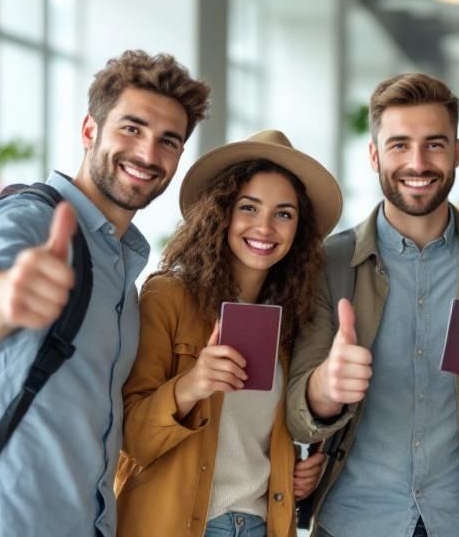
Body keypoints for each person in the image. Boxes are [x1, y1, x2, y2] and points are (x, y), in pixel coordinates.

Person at [0, 50, 210, 536]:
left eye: (168, 141)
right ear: (88, 131)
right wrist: (1, 298)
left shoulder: (125, 262)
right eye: (131, 128)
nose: (147, 154)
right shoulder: (34, 219)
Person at [285, 73, 459, 537]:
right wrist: (325, 388)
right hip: (353, 520)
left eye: (434, 144)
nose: (417, 162)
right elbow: (298, 414)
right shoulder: (326, 265)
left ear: (456, 151)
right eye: (399, 145)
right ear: (374, 155)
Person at [115, 129, 341, 537]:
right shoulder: (168, 297)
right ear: (221, 212)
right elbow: (132, 440)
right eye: (249, 208)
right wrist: (194, 384)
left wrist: (297, 470)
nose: (266, 227)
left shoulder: (294, 319)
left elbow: (260, 441)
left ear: (299, 229)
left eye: (284, 213)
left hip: (262, 525)